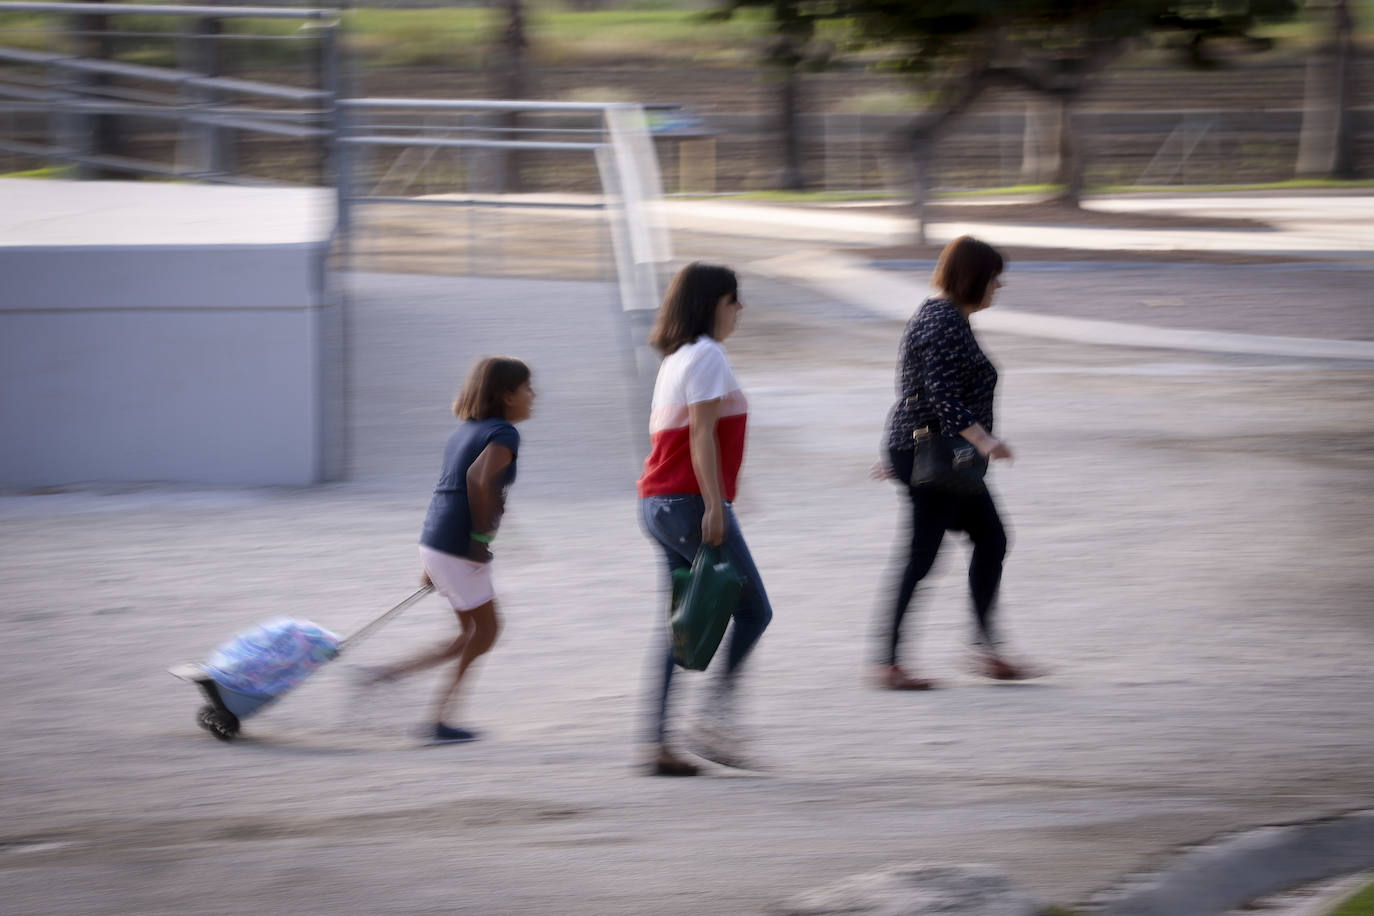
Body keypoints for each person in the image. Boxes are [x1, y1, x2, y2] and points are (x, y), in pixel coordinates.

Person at [876, 235, 1039, 690]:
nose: (998, 286)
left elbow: (916, 389)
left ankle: (983, 649)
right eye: (994, 278)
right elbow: (942, 398)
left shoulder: (947, 317)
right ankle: (889, 663)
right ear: (974, 278)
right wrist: (986, 441)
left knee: (990, 538)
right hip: (936, 456)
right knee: (922, 556)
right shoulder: (943, 321)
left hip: (936, 453)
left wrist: (896, 447)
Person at [637, 262, 772, 776]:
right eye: (734, 300)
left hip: (658, 504)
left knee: (681, 624)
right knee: (754, 610)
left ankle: (657, 744)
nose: (739, 311)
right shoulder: (710, 355)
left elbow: (694, 439)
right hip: (690, 502)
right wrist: (717, 504)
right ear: (714, 303)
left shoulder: (676, 358)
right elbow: (698, 439)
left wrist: (729, 491)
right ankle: (714, 721)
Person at [364, 356, 535, 744]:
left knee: (468, 634)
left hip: (438, 541)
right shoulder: (504, 434)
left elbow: (452, 487)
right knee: (487, 631)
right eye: (526, 388)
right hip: (460, 546)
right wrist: (480, 542)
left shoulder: (465, 430)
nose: (533, 395)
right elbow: (477, 480)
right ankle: (438, 719)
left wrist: (434, 559)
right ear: (507, 395)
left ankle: (386, 676)